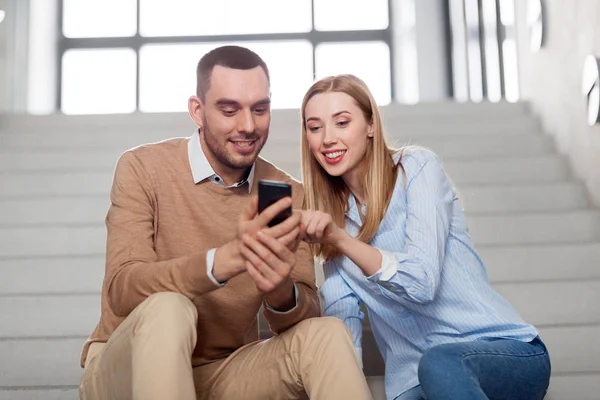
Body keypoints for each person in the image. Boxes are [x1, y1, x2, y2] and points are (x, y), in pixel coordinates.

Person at [78, 46, 373, 400]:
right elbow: (123, 288)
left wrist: (280, 289)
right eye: (229, 110)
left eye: (260, 109)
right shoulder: (143, 168)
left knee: (326, 333)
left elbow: (299, 315)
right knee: (169, 307)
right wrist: (223, 262)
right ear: (197, 111)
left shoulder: (287, 192)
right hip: (125, 370)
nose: (247, 126)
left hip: (223, 373)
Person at [299, 74, 551, 400]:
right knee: (423, 373)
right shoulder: (332, 219)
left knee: (439, 364)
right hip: (411, 380)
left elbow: (421, 282)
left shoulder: (415, 168)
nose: (328, 139)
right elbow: (343, 321)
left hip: (499, 351)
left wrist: (341, 240)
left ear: (371, 125)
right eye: (315, 127)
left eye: (342, 122)